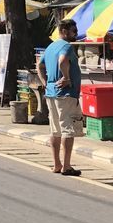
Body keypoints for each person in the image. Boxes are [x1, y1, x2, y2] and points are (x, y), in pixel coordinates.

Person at [37, 18, 83, 177]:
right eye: (74, 31)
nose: (76, 34)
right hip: (66, 94)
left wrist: (45, 82)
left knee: (55, 130)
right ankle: (66, 166)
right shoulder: (66, 46)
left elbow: (39, 65)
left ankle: (57, 164)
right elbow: (63, 60)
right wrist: (67, 77)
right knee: (67, 129)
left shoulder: (51, 46)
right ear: (64, 31)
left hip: (51, 93)